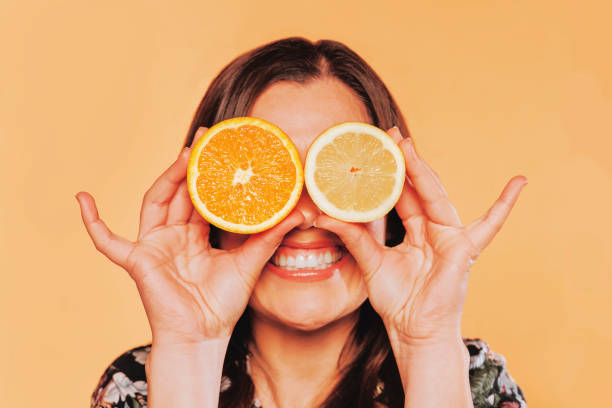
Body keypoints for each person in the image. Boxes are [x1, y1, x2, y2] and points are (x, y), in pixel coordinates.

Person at [77, 37, 528, 408]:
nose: (308, 214)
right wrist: (189, 352)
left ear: (391, 203)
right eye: (273, 180)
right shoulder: (138, 387)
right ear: (212, 207)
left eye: (337, 177)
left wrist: (427, 344)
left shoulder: (469, 382)